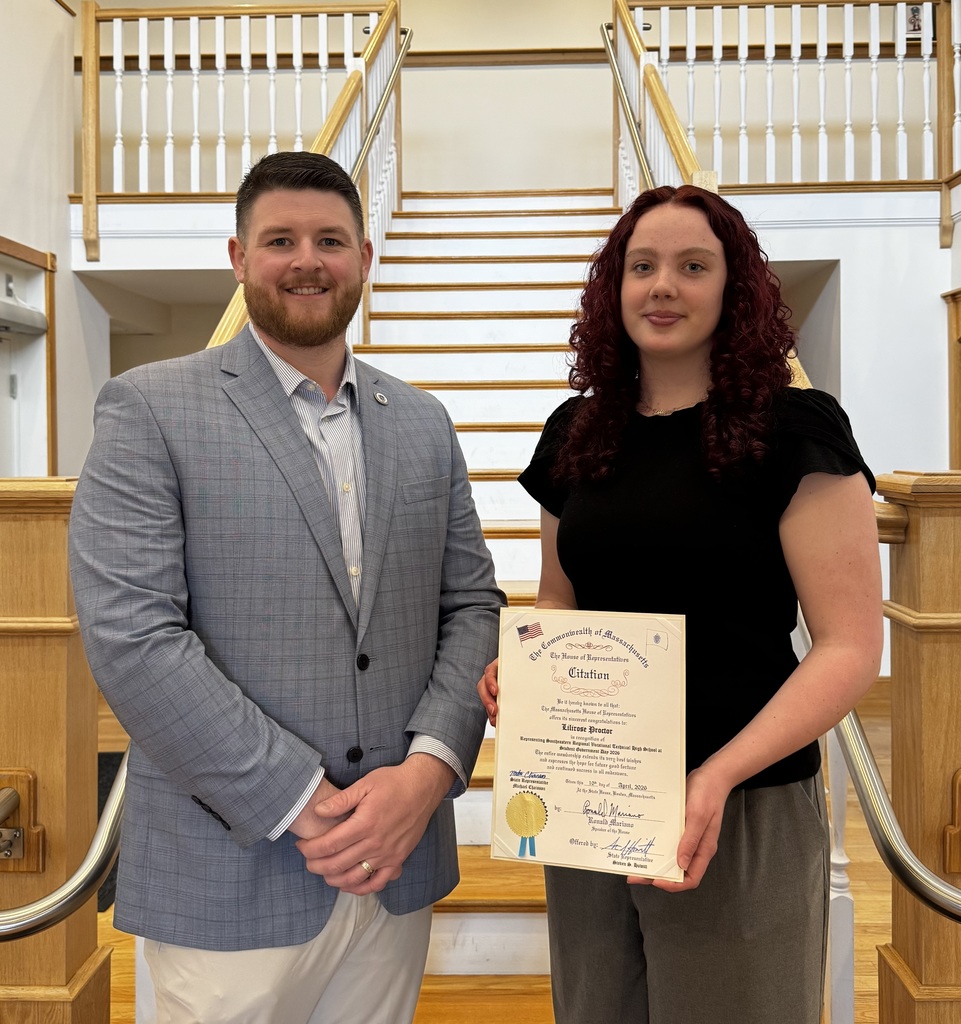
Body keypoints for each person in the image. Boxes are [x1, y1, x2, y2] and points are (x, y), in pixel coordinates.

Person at [70, 151, 504, 1024]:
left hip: (397, 862)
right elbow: (134, 638)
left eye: (330, 241)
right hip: (229, 868)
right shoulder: (147, 408)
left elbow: (471, 606)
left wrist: (426, 775)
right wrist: (307, 806)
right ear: (238, 258)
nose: (307, 260)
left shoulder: (422, 421)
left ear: (364, 259)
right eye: (280, 240)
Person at [478, 184, 882, 1023]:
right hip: (594, 796)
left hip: (741, 804)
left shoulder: (794, 430)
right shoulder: (575, 431)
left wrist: (716, 775)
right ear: (613, 289)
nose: (663, 286)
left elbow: (849, 646)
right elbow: (560, 595)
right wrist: (522, 666)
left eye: (692, 266)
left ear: (733, 291)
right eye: (642, 266)